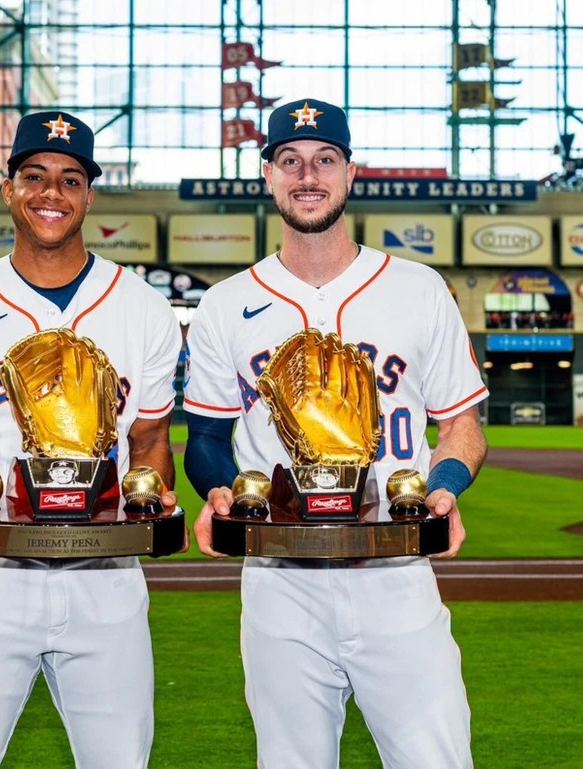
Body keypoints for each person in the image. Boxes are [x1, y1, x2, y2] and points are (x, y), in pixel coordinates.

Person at [183, 98, 488, 769]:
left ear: (351, 173)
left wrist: (444, 484)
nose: (307, 174)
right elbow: (204, 437)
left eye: (325, 159)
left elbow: (462, 423)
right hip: (280, 577)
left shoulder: (418, 288)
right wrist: (217, 490)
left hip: (396, 568)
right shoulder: (225, 303)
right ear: (267, 175)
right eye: (289, 160)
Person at [0, 110, 183, 769]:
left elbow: (150, 438)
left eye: (69, 178)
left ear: (89, 195)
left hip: (104, 576)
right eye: (34, 175)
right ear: (8, 188)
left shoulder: (142, 308)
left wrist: (153, 492)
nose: (51, 192)